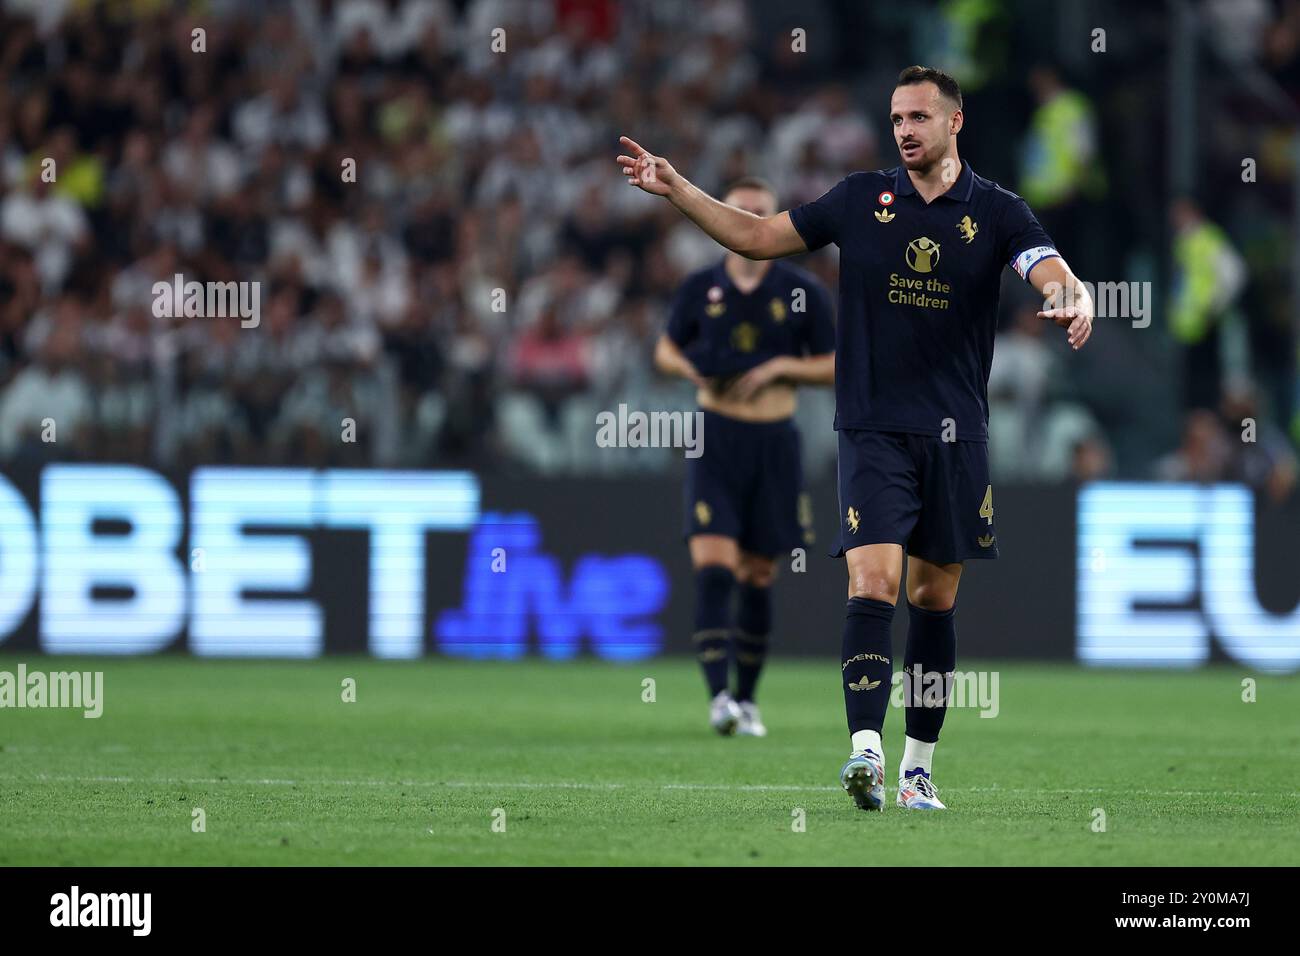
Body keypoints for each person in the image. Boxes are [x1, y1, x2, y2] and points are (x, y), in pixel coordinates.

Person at [618, 65, 1094, 811]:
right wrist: (678, 188)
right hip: (872, 428)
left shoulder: (997, 212)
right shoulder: (858, 200)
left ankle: (918, 770)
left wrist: (1074, 297)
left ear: (954, 123)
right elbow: (756, 233)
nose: (904, 130)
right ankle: (865, 752)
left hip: (957, 437)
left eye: (919, 118)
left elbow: (1049, 269)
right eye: (897, 117)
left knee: (933, 599)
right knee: (871, 582)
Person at [654, 176, 835, 737]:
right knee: (712, 567)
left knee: (758, 573)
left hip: (774, 440)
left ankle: (749, 698)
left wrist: (780, 368)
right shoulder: (700, 287)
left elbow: (836, 365)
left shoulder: (802, 291)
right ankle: (719, 699)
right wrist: (689, 369)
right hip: (715, 436)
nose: (751, 219)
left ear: (775, 217)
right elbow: (665, 348)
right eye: (741, 211)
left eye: (760, 211)